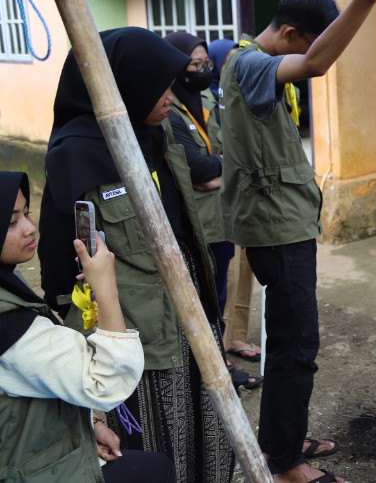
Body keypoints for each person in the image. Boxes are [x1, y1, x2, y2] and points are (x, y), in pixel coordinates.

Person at [220, 0, 376, 483]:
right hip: (277, 233)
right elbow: (316, 63)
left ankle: (283, 438)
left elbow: (311, 59)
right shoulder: (252, 65)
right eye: (310, 39)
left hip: (286, 226)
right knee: (295, 346)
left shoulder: (252, 66)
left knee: (292, 342)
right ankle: (283, 463)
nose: (313, 55)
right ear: (288, 31)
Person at [38, 28, 235, 483]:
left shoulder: (155, 133)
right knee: (156, 441)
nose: (172, 95)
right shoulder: (78, 156)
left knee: (206, 428)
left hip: (188, 312)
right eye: (159, 86)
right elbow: (62, 270)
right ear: (124, 87)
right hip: (136, 334)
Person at [0, 171, 176, 483]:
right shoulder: (8, 322)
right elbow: (105, 382)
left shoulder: (8, 286)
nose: (29, 228)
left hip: (28, 455)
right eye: (11, 221)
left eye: (27, 213)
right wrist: (106, 288)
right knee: (155, 469)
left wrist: (87, 426)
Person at [163, 32, 262, 387]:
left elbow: (228, 155)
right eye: (195, 63)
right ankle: (207, 368)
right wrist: (221, 167)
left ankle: (218, 364)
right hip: (196, 225)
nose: (204, 69)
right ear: (177, 66)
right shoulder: (168, 110)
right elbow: (199, 171)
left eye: (206, 63)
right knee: (200, 296)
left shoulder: (206, 96)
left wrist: (219, 167)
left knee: (219, 293)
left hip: (222, 219)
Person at [207, 38, 263, 363]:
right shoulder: (206, 100)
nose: (233, 67)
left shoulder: (237, 96)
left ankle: (236, 335)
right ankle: (221, 338)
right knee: (225, 272)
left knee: (245, 268)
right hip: (220, 200)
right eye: (227, 61)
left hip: (243, 193)